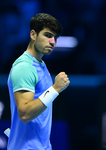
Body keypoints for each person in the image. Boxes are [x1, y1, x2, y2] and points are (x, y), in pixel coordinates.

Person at [7, 13, 70, 150]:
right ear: (33, 35)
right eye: (48, 35)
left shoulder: (40, 64)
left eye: (55, 37)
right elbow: (24, 113)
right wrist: (55, 89)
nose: (53, 41)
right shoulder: (24, 67)